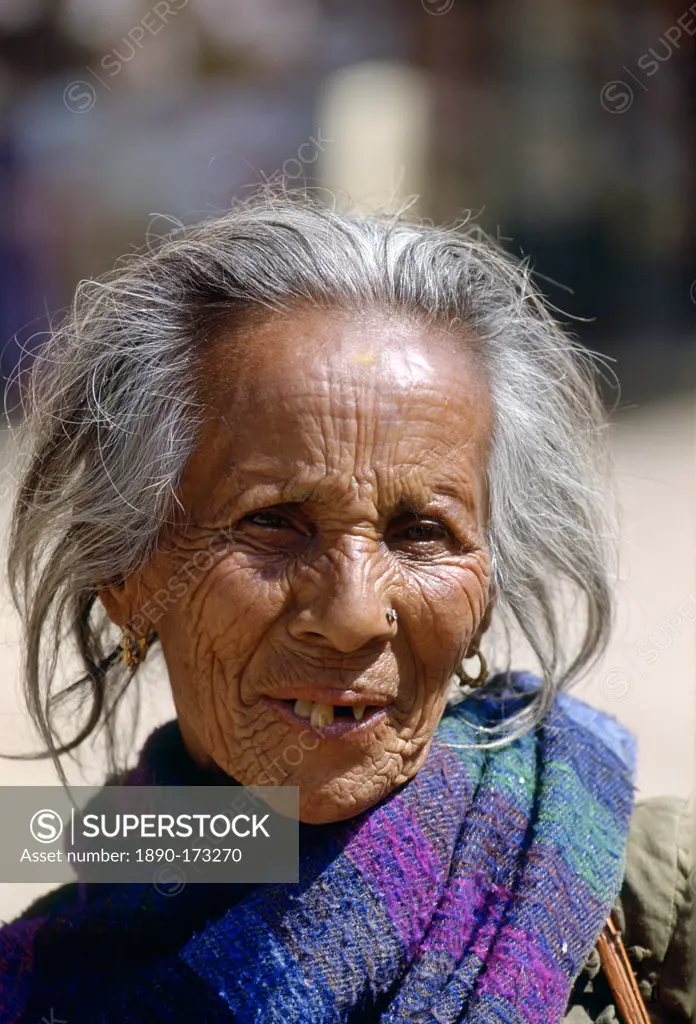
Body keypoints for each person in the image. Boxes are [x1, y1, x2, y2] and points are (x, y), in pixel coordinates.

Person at [0, 190, 690, 1022]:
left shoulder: (660, 913)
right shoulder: (41, 982)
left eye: (423, 533)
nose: (356, 613)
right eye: (271, 522)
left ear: (484, 596)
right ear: (130, 578)